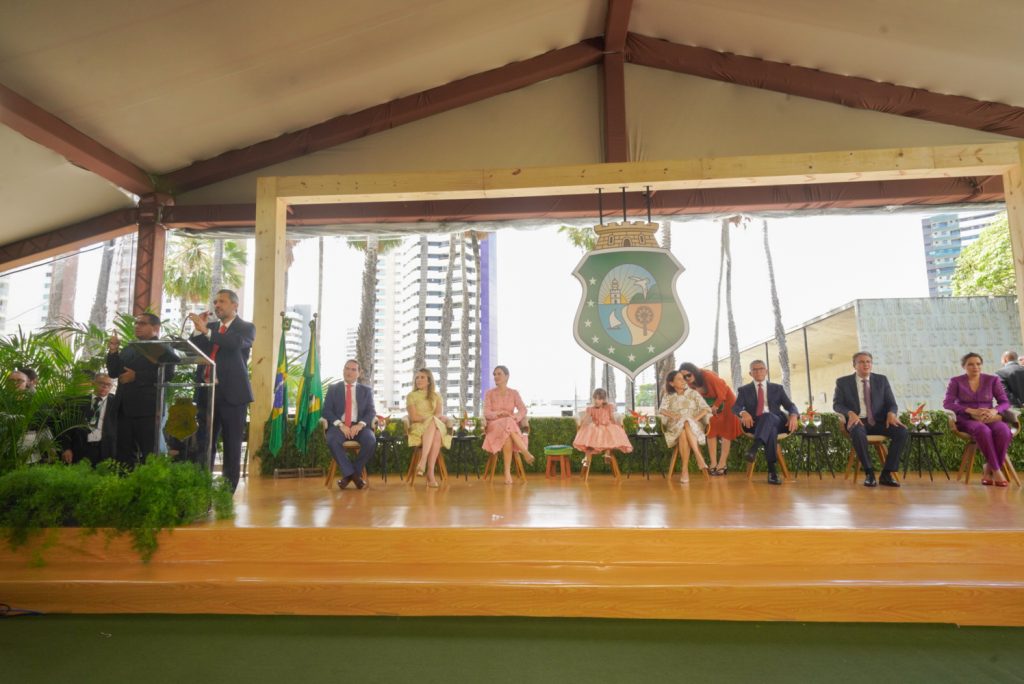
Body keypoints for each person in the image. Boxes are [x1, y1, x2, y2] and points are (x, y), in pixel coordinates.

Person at [189, 289, 255, 492]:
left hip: (233, 396)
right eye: (215, 302)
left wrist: (207, 332)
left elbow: (235, 344)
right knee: (204, 443)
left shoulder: (246, 327)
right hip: (207, 393)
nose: (217, 305)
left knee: (232, 445)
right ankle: (202, 489)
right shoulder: (209, 328)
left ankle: (226, 493)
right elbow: (193, 349)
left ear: (235, 305)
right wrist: (198, 330)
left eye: (222, 302)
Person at [106, 313, 177, 469]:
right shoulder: (130, 347)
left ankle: (148, 483)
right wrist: (113, 351)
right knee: (123, 455)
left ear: (156, 327)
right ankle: (125, 482)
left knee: (149, 455)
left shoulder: (162, 347)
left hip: (147, 410)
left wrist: (136, 376)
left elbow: (168, 374)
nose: (137, 326)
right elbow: (113, 372)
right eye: (136, 323)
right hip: (124, 409)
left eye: (142, 323)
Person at [832, 351, 907, 487]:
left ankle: (886, 474)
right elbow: (837, 404)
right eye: (861, 362)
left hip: (879, 422)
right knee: (857, 432)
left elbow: (892, 403)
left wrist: (892, 413)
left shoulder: (881, 380)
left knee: (901, 432)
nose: (865, 364)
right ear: (854, 365)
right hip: (858, 421)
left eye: (868, 362)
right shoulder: (843, 382)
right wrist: (850, 413)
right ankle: (869, 473)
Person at [944, 352, 1012, 487]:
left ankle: (988, 468)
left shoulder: (992, 380)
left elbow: (1005, 402)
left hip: (989, 418)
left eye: (978, 364)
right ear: (964, 366)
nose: (975, 367)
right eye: (970, 364)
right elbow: (948, 403)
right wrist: (970, 410)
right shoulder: (956, 381)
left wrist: (994, 411)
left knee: (1004, 430)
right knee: (982, 430)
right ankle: (997, 471)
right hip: (966, 419)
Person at [733, 359, 799, 485]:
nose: (758, 372)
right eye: (755, 370)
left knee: (769, 417)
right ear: (750, 373)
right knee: (771, 431)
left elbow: (790, 405)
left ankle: (754, 448)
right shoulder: (744, 390)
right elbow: (736, 407)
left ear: (766, 371)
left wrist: (794, 415)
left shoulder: (777, 388)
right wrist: (743, 412)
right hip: (755, 424)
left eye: (761, 369)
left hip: (778, 422)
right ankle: (772, 472)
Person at [678, 362, 742, 476]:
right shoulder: (691, 383)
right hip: (712, 405)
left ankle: (722, 464)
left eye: (688, 375)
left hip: (726, 401)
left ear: (694, 371)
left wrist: (716, 405)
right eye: (684, 377)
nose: (687, 378)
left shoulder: (708, 376)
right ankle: (713, 463)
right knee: (711, 431)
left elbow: (722, 392)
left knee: (726, 432)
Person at [322, 359, 376, 490]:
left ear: (359, 373)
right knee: (332, 439)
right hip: (339, 426)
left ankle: (350, 475)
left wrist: (360, 425)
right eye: (347, 368)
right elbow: (326, 410)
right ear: (343, 370)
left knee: (370, 440)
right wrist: (340, 425)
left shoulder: (366, 390)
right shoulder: (333, 389)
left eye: (353, 369)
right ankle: (355, 476)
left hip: (359, 427)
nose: (349, 372)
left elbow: (371, 411)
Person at [482, 365, 535, 485]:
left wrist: (515, 417)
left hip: (509, 428)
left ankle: (507, 472)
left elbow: (523, 410)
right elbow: (486, 413)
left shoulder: (514, 393)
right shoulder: (489, 393)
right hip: (493, 427)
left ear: (507, 376)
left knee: (508, 432)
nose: (496, 376)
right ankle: (525, 452)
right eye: (494, 374)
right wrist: (499, 414)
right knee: (508, 421)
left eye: (499, 374)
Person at [658, 371, 710, 482]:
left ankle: (684, 470)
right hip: (675, 426)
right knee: (684, 424)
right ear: (671, 383)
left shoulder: (693, 393)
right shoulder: (668, 396)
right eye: (679, 379)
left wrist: (694, 419)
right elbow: (662, 410)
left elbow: (705, 409)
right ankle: (698, 457)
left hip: (694, 426)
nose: (683, 381)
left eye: (683, 378)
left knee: (685, 425)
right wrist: (674, 416)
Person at [406, 368, 451, 488]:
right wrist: (428, 419)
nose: (418, 380)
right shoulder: (411, 396)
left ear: (429, 381)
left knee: (435, 427)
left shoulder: (437, 396)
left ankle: (424, 462)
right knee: (436, 431)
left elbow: (438, 414)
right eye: (417, 377)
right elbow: (414, 417)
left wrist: (431, 419)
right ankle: (429, 473)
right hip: (418, 426)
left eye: (422, 377)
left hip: (434, 424)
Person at [61, 372, 117, 466]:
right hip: (80, 449)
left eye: (108, 385)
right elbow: (67, 426)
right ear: (93, 383)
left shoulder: (116, 404)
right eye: (101, 383)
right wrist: (66, 448)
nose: (105, 387)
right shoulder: (79, 402)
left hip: (106, 450)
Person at [572, 387, 633, 471]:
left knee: (609, 436)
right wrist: (581, 426)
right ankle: (586, 457)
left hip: (607, 426)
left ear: (604, 400)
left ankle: (607, 453)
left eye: (599, 399)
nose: (597, 401)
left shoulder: (608, 407)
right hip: (596, 427)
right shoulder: (590, 409)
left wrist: (617, 426)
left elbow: (612, 417)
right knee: (590, 439)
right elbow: (586, 418)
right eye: (595, 398)